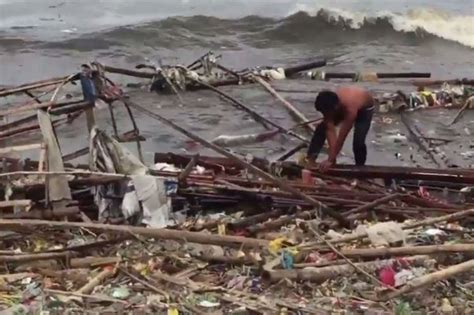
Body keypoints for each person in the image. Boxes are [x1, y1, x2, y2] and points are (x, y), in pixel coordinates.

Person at [306, 86, 374, 172]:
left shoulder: (350, 109)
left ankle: (360, 168)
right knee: (322, 128)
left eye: (328, 113)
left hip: (365, 110)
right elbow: (330, 129)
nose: (326, 115)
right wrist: (332, 159)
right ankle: (311, 159)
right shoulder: (329, 103)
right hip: (343, 104)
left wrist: (330, 159)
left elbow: (342, 137)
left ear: (335, 108)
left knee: (358, 141)